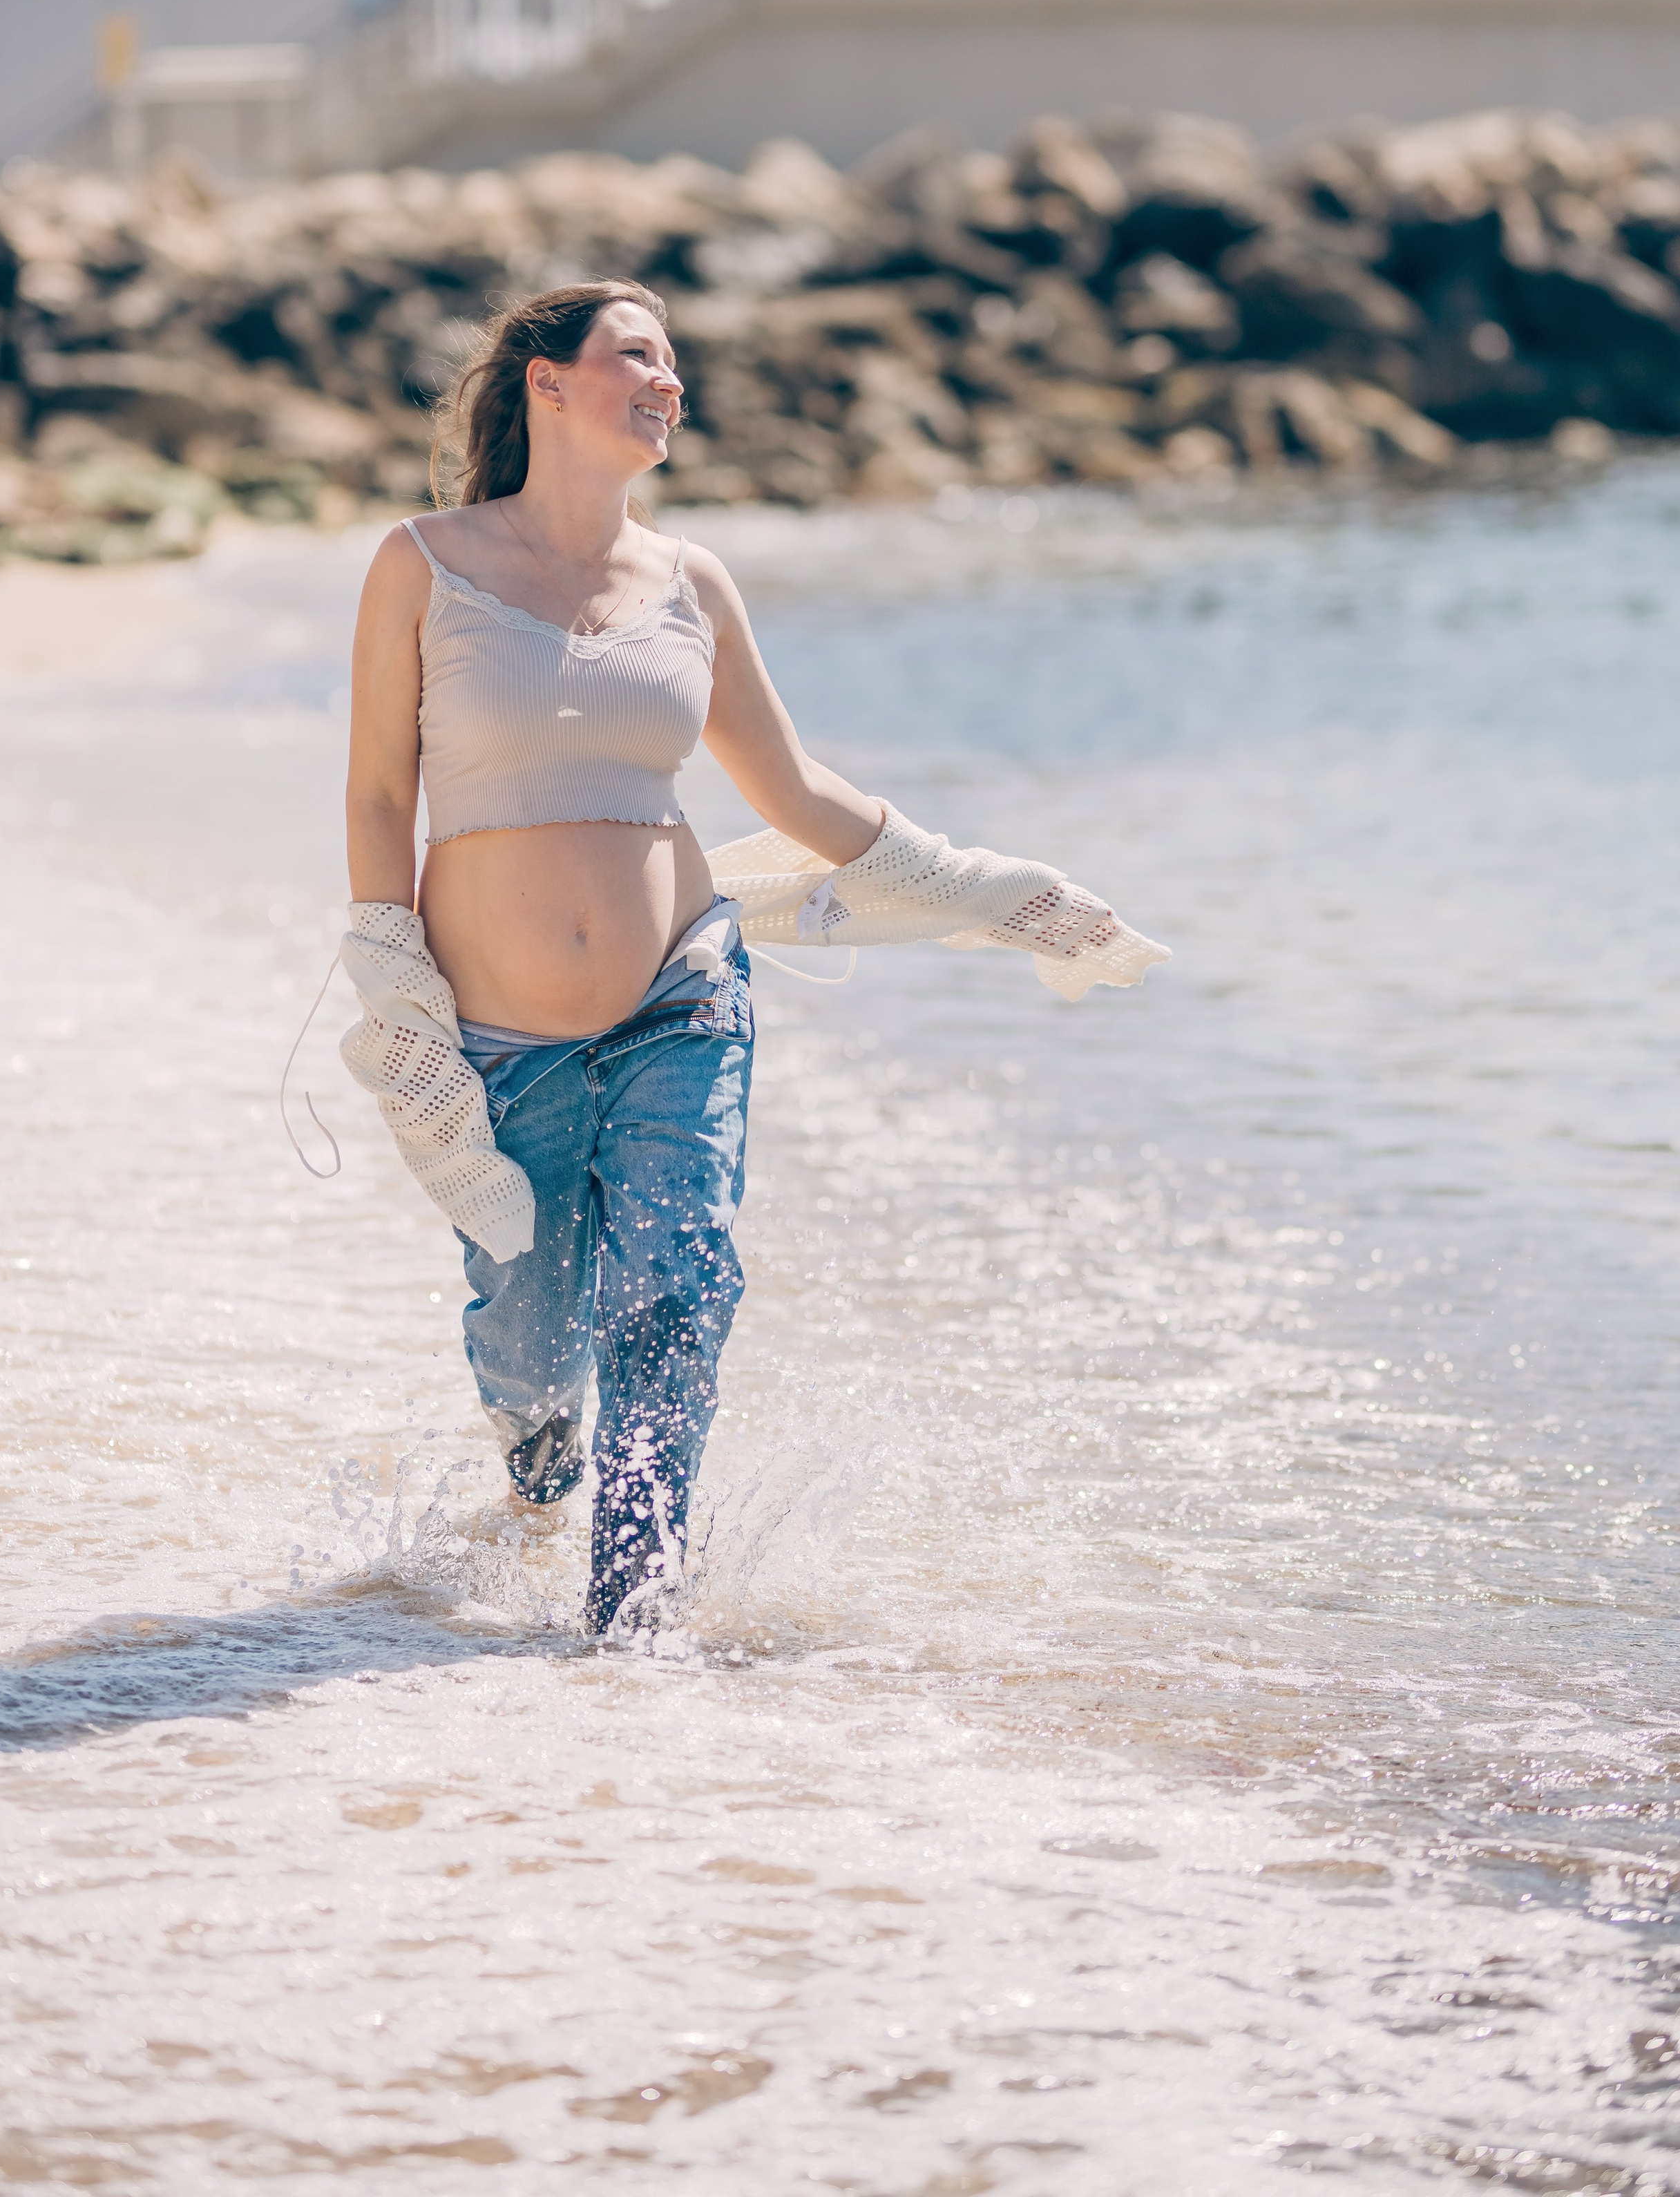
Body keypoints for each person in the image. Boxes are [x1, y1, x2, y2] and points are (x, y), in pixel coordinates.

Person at [341, 278, 1165, 1636]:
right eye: (636, 357)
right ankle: (540, 1485)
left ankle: (634, 1600)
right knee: (532, 1348)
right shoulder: (421, 564)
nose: (668, 382)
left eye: (674, 363)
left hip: (681, 992)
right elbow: (379, 797)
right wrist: (394, 986)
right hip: (499, 1034)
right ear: (545, 382)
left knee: (683, 1280)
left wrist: (1004, 899)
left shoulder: (690, 582)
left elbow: (792, 795)